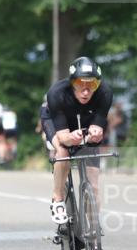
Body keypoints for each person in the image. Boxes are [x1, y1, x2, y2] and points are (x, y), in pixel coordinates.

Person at [42, 56, 112, 232]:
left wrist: (95, 133)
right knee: (63, 151)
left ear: (98, 85)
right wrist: (70, 138)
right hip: (58, 123)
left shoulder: (105, 93)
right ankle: (58, 199)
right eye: (81, 84)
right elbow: (64, 137)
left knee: (94, 184)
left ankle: (94, 228)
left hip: (85, 122)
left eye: (92, 85)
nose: (86, 91)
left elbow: (98, 126)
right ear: (72, 83)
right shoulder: (56, 93)